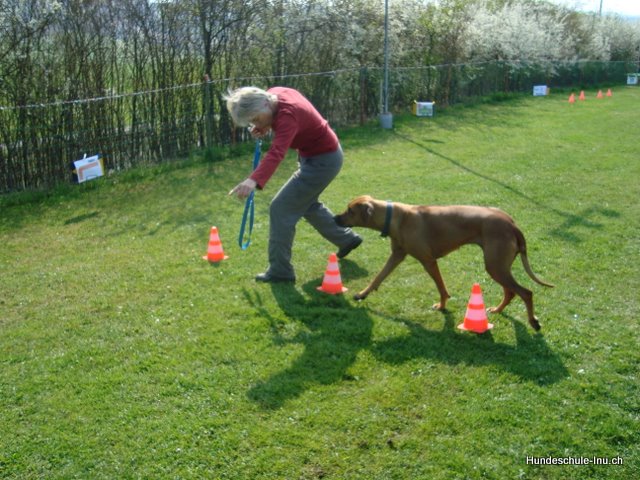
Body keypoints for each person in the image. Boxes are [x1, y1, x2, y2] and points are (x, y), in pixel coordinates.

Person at [226, 86, 362, 283]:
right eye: (252, 121)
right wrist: (266, 125)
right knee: (306, 204)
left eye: (256, 119)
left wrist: (252, 180)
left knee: (280, 208)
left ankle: (280, 271)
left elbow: (277, 152)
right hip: (319, 155)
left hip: (322, 161)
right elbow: (289, 122)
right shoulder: (275, 94)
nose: (255, 123)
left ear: (265, 103)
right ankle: (346, 239)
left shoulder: (288, 116)